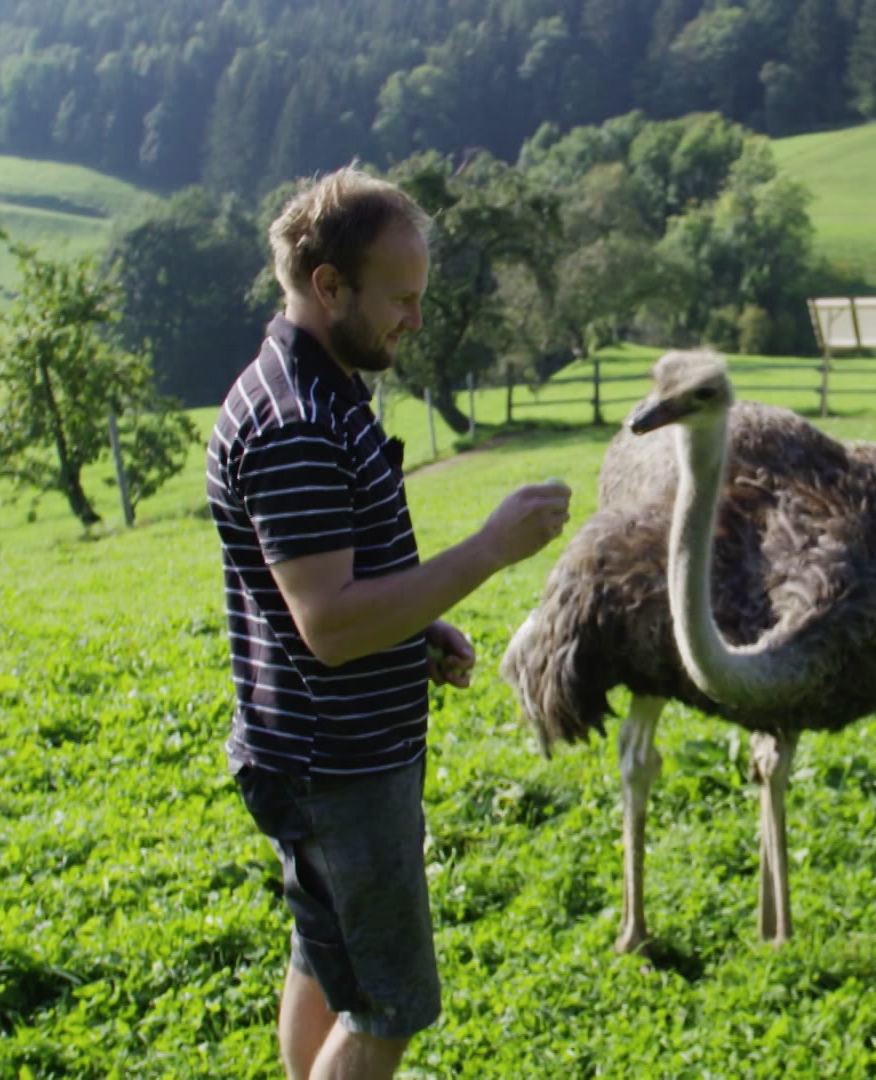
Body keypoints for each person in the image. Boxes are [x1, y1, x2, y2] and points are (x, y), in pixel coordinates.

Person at [206, 164, 571, 1080]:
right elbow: (327, 623)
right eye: (400, 298)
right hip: (338, 766)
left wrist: (411, 632)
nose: (414, 318)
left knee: (324, 960)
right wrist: (487, 550)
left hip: (318, 747)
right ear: (329, 286)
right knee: (388, 1004)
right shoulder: (296, 421)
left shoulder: (323, 388)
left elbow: (333, 587)